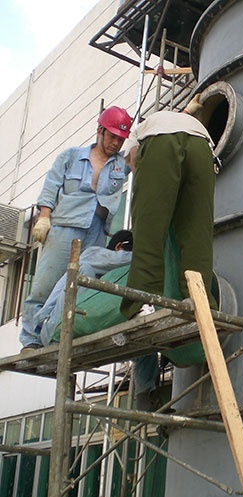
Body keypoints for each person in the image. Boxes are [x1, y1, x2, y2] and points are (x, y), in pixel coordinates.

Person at [19, 106, 132, 352]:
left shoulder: (120, 164)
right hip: (65, 227)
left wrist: (186, 113)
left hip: (96, 231)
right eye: (112, 136)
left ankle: (62, 332)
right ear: (100, 131)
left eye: (121, 139)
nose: (116, 143)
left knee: (84, 283)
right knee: (46, 284)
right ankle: (31, 339)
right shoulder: (71, 156)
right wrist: (44, 217)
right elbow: (51, 186)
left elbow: (146, 145)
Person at [120, 94, 218, 322]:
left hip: (162, 143)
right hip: (202, 145)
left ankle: (141, 301)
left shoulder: (136, 141)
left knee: (149, 229)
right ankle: (200, 301)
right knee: (197, 233)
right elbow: (179, 134)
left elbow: (141, 157)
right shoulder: (170, 120)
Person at [35, 230, 133, 347]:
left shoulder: (107, 275)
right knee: (85, 271)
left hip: (72, 327)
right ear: (118, 247)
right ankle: (65, 325)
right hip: (53, 325)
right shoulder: (92, 254)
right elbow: (121, 259)